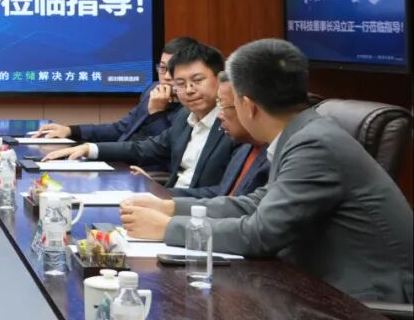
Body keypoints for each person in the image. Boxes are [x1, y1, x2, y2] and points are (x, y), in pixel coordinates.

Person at [120, 39, 413, 303]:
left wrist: (167, 228)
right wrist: (170, 207)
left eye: (227, 104)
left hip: (363, 301)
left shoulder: (313, 144)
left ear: (248, 106)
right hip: (317, 287)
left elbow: (260, 233)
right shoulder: (304, 133)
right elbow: (255, 203)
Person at [44, 42, 236, 191]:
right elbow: (144, 148)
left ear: (220, 78)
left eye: (197, 80)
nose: (189, 90)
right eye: (181, 83)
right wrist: (89, 148)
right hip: (166, 202)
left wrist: (160, 191)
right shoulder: (186, 117)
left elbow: (224, 193)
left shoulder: (233, 125)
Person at [29, 37, 197, 151]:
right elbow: (120, 129)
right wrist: (71, 130)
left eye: (173, 69)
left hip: (146, 171)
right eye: (162, 68)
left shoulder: (192, 105)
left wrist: (157, 113)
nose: (166, 77)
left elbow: (168, 152)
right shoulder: (152, 90)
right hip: (119, 160)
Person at [170, 71, 269, 198]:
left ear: (249, 107)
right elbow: (224, 195)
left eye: (223, 106)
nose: (219, 115)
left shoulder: (277, 156)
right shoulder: (245, 148)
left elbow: (246, 207)